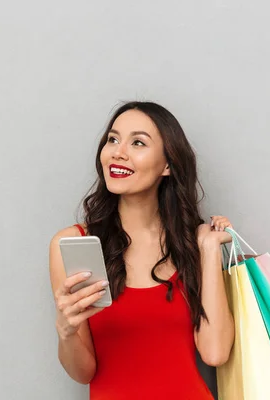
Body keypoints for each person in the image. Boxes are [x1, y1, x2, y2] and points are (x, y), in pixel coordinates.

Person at [48, 101, 235, 399]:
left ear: (167, 165)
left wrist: (209, 249)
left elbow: (215, 353)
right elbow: (83, 372)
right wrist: (66, 330)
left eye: (137, 142)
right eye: (112, 139)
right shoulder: (72, 244)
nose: (118, 151)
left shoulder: (190, 244)